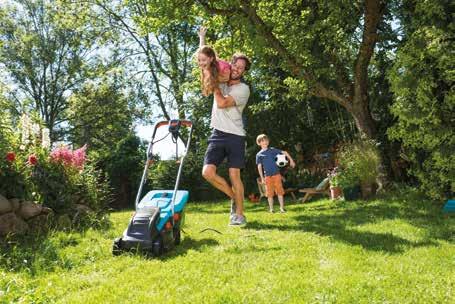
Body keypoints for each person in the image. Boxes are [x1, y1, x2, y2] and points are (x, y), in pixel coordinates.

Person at [200, 27, 251, 226]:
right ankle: (234, 197)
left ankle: (240, 215)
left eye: (241, 68)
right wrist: (202, 38)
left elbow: (221, 103)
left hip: (235, 135)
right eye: (235, 65)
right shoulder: (221, 78)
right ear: (230, 64)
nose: (237, 69)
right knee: (207, 173)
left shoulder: (243, 89)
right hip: (217, 133)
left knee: (234, 174)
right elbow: (206, 62)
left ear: (244, 71)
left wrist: (214, 86)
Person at [255, 134, 296, 213]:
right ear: (259, 143)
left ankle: (282, 208)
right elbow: (259, 167)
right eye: (263, 141)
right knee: (270, 194)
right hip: (267, 177)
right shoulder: (259, 155)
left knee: (280, 192)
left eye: (266, 140)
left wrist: (291, 160)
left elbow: (285, 152)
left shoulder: (272, 150)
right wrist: (262, 178)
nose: (265, 142)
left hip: (276, 175)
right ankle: (271, 209)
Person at [196, 26, 231, 96]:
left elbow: (226, 78)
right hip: (221, 83)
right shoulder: (209, 63)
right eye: (199, 60)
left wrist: (212, 80)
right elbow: (202, 51)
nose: (201, 63)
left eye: (203, 60)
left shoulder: (221, 66)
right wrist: (202, 37)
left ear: (211, 59)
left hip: (229, 85)